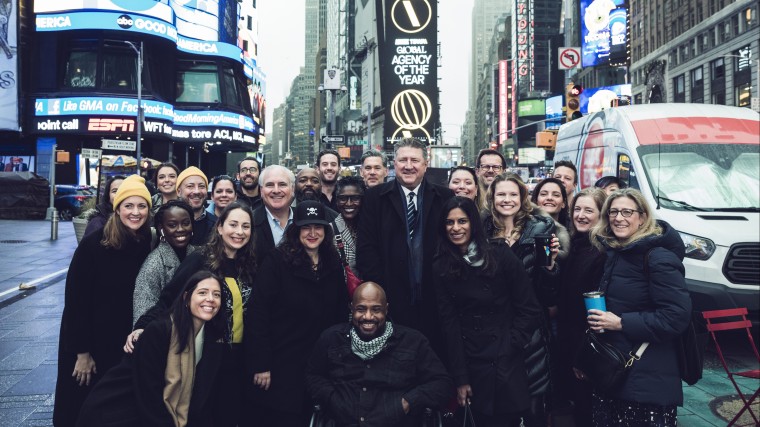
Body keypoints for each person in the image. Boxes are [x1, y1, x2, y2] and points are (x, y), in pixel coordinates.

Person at [130, 201, 256, 427]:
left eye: (245, 227)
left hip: (241, 356)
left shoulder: (249, 263)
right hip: (209, 355)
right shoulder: (201, 259)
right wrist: (142, 325)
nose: (239, 232)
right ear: (219, 227)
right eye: (233, 225)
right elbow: (170, 297)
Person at [584, 188, 691, 426]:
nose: (618, 218)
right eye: (613, 212)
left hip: (646, 381)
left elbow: (676, 317)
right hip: (614, 372)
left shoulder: (657, 258)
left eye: (626, 212)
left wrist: (621, 322)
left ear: (642, 217)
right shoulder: (615, 253)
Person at [53, 175, 153, 426]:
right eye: (128, 206)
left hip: (119, 342)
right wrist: (82, 353)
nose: (135, 212)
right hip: (89, 344)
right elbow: (76, 303)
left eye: (142, 206)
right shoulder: (93, 245)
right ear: (117, 208)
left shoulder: (144, 243)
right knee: (81, 405)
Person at [434, 197, 542, 426]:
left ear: (473, 222)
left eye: (462, 221)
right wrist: (461, 378)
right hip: (470, 359)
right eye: (449, 222)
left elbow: (529, 308)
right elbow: (448, 324)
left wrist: (511, 343)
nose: (456, 228)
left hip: (505, 358)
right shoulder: (441, 266)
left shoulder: (500, 254)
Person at [247, 200, 349, 426]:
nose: (312, 233)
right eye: (306, 227)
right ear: (296, 230)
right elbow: (258, 313)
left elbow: (341, 313)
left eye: (318, 227)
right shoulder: (277, 261)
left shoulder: (333, 262)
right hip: (281, 363)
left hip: (320, 365)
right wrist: (261, 364)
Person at [77, 271, 224, 427]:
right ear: (186, 297)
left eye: (217, 295)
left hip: (156, 413)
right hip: (116, 412)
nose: (210, 299)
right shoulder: (160, 331)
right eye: (202, 293)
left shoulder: (212, 339)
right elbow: (148, 392)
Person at [306, 282, 453, 427]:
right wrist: (334, 400)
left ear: (386, 309)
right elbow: (313, 376)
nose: (368, 316)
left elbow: (441, 383)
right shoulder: (332, 339)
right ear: (351, 308)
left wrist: (407, 403)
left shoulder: (413, 342)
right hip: (346, 421)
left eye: (376, 310)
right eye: (361, 309)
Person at [357, 137, 454, 356]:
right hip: (391, 300)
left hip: (435, 300)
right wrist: (383, 291)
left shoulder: (444, 197)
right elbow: (367, 248)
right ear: (394, 164)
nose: (408, 166)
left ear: (425, 164)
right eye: (403, 160)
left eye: (414, 160)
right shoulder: (374, 198)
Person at [482, 173, 560, 426]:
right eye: (501, 194)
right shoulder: (481, 230)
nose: (507, 200)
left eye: (513, 194)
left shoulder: (540, 228)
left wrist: (550, 267)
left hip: (531, 328)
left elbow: (547, 292)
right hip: (492, 325)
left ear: (523, 197)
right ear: (492, 198)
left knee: (533, 397)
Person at [555, 188, 607, 425]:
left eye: (589, 210)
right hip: (568, 343)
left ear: (601, 214)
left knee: (587, 410)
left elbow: (595, 313)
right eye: (577, 209)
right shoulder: (576, 245)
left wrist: (583, 358)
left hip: (584, 349)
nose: (581, 215)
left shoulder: (600, 253)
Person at [132, 199, 196, 325]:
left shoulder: (198, 255)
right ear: (161, 229)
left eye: (186, 223)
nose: (180, 229)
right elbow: (143, 313)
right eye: (172, 225)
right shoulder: (153, 264)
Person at [252, 165, 295, 262]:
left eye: (282, 184)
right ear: (261, 191)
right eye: (270, 185)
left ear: (292, 189)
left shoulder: (303, 219)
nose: (276, 190)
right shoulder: (249, 222)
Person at [332, 176, 366, 277]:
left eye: (355, 198)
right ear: (337, 200)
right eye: (343, 198)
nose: (349, 203)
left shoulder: (371, 228)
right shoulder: (329, 231)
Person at [531, 177, 572, 258]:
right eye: (543, 194)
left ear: (563, 203)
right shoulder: (523, 227)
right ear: (536, 201)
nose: (549, 198)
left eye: (556, 195)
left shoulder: (572, 231)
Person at [176, 166, 214, 246]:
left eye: (201, 186)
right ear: (179, 192)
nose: (197, 191)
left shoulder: (217, 224)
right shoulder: (169, 223)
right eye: (190, 186)